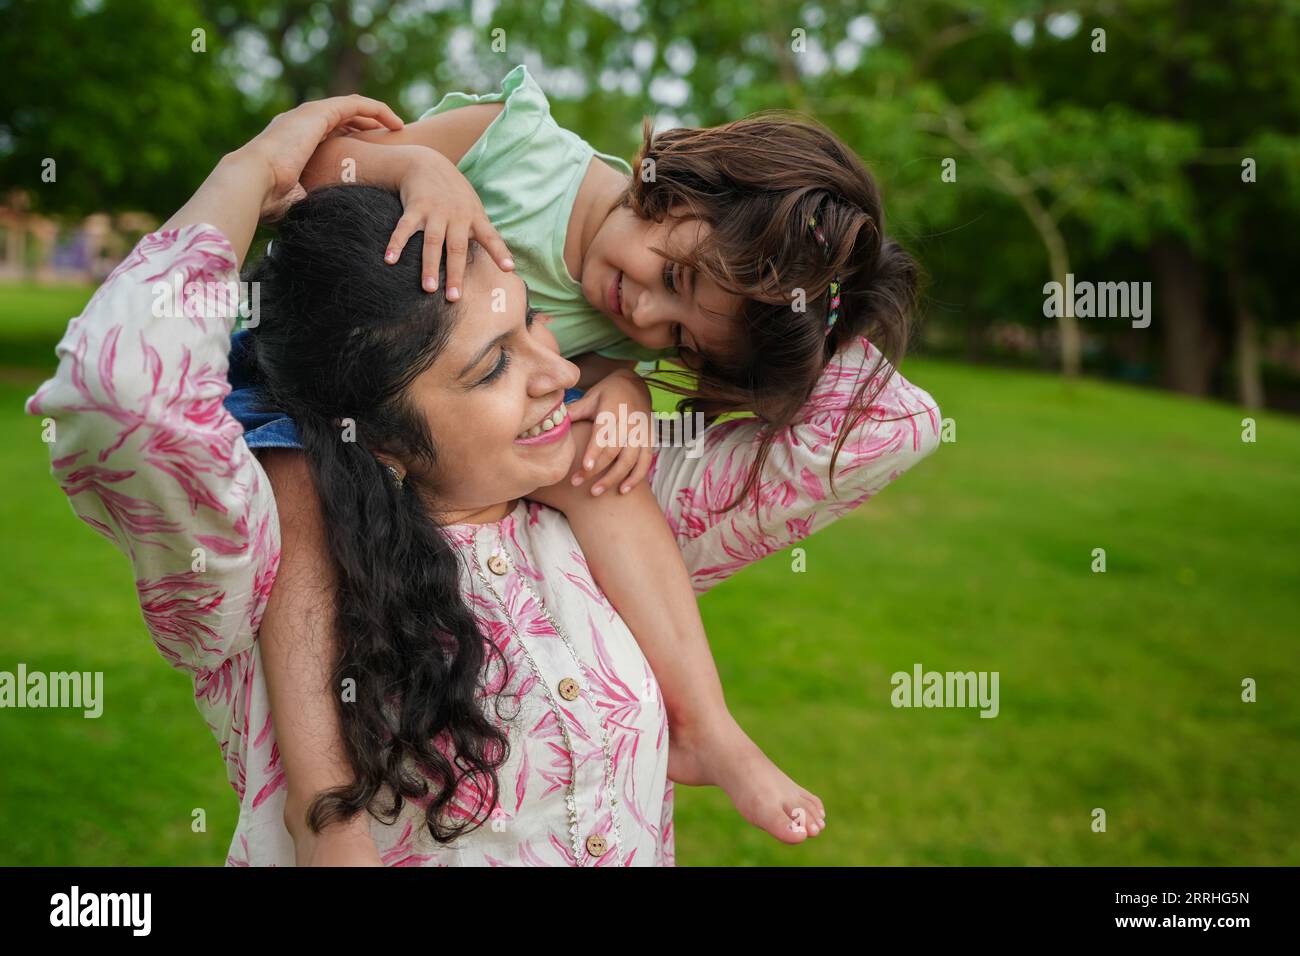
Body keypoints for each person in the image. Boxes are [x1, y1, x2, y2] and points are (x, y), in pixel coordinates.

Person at [229, 65, 930, 859]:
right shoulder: (522, 145)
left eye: (678, 337)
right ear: (673, 188)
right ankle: (329, 820)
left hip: (467, 427)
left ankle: (705, 726)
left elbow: (561, 369)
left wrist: (625, 380)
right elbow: (307, 177)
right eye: (674, 276)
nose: (644, 312)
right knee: (304, 527)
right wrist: (417, 167)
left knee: (608, 471)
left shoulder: (621, 323)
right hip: (305, 376)